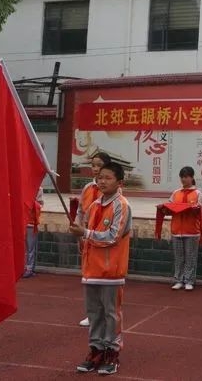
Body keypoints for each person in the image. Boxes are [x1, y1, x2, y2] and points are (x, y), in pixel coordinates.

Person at [69, 162, 132, 375]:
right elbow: (86, 232)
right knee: (94, 313)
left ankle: (112, 352)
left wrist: (85, 233)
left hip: (111, 271)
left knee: (111, 314)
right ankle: (96, 349)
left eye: (108, 177)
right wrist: (79, 232)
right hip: (91, 270)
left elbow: (113, 236)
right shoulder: (94, 205)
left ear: (119, 182)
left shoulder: (121, 205)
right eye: (100, 177)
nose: (102, 181)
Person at [76, 152, 111, 327]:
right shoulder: (88, 188)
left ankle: (105, 313)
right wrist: (79, 233)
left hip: (102, 239)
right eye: (93, 165)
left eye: (99, 165)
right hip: (87, 237)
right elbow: (80, 211)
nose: (95, 169)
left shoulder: (112, 190)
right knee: (89, 277)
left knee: (103, 278)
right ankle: (92, 314)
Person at [168, 166, 202, 291]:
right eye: (182, 177)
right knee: (178, 258)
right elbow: (170, 207)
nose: (184, 179)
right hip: (176, 230)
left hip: (191, 231)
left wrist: (195, 209)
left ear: (192, 177)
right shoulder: (176, 193)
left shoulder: (197, 193)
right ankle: (178, 280)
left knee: (190, 257)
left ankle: (189, 280)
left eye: (186, 177)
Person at [23, 187, 45, 278]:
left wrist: (31, 202)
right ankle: (26, 267)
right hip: (23, 222)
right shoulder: (23, 187)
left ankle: (29, 268)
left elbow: (40, 205)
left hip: (31, 223)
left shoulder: (39, 189)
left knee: (30, 248)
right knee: (25, 247)